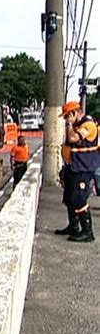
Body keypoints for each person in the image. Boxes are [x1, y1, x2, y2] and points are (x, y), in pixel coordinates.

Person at [55, 101, 100, 242]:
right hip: (73, 167)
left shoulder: (88, 126)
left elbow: (73, 138)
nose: (66, 120)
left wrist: (69, 126)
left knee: (79, 200)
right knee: (70, 198)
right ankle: (73, 226)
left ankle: (87, 231)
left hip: (83, 169)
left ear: (74, 113)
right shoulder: (77, 126)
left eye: (67, 117)